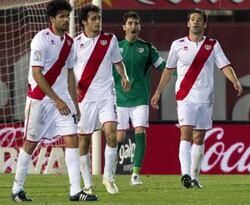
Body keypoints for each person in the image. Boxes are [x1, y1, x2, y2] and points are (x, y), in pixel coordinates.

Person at [11, 0, 97, 202]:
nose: (66, 20)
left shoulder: (70, 42)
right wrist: (57, 100)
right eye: (62, 16)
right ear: (52, 19)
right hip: (40, 100)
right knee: (30, 143)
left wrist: (75, 105)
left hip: (63, 102)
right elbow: (37, 74)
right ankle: (17, 189)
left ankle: (75, 191)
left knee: (72, 139)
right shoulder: (40, 39)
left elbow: (69, 74)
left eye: (68, 16)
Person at [151, 9, 243, 189]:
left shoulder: (212, 45)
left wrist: (235, 81)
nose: (195, 22)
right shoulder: (177, 45)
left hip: (205, 98)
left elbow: (224, 65)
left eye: (199, 20)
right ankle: (185, 174)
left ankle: (194, 177)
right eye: (192, 19)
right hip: (185, 97)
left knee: (199, 137)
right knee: (185, 133)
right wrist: (158, 92)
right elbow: (168, 70)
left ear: (204, 24)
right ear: (187, 24)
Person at [73, 4, 130, 194]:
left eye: (99, 18)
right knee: (84, 141)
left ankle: (108, 178)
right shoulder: (75, 43)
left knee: (112, 134)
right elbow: (68, 70)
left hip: (107, 95)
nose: (98, 22)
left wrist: (124, 76)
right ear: (84, 22)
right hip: (85, 97)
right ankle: (88, 184)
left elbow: (118, 62)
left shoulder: (110, 39)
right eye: (93, 19)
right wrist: (71, 86)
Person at [114, 11, 166, 185]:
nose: (133, 26)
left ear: (139, 27)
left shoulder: (148, 48)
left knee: (140, 133)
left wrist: (183, 69)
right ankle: (110, 171)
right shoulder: (115, 48)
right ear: (124, 27)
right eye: (129, 23)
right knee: (118, 138)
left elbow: (165, 67)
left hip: (140, 100)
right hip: (119, 100)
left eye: (136, 23)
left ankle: (135, 175)